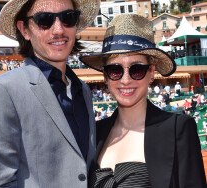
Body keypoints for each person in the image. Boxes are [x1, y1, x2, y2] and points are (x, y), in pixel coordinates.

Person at [0, 0, 100, 188]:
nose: (59, 29)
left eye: (68, 18)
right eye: (45, 20)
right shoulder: (1, 92)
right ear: (25, 29)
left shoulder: (83, 91)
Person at [80, 14, 206, 187]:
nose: (125, 80)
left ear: (152, 72)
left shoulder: (179, 130)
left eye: (137, 69)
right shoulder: (95, 133)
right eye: (115, 69)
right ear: (105, 76)